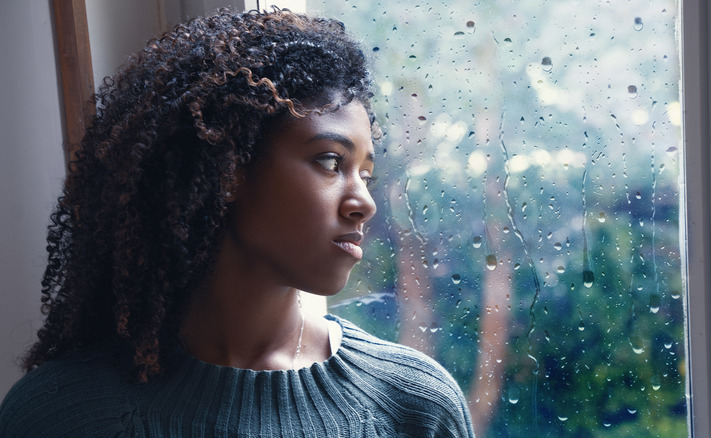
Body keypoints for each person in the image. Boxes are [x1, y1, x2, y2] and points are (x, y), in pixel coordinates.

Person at [0, 8, 474, 437]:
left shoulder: (415, 408)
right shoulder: (61, 415)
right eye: (331, 162)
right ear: (227, 168)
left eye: (365, 174)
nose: (364, 203)